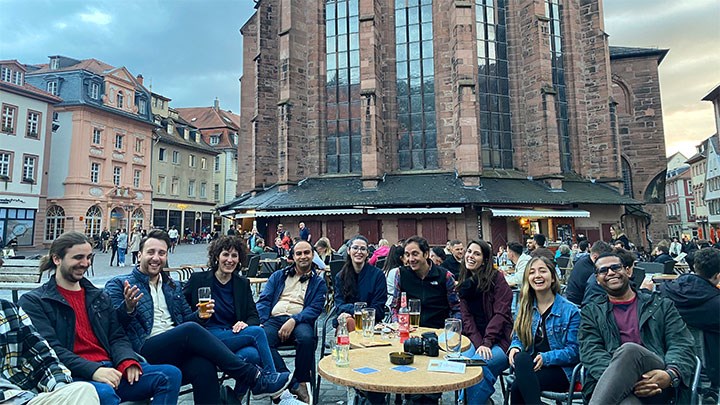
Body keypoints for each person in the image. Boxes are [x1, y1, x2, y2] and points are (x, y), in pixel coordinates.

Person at [104, 230, 291, 404]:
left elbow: (187, 320)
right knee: (192, 330)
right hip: (143, 349)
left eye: (161, 253)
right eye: (150, 252)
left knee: (204, 365)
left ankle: (255, 382)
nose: (156, 258)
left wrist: (199, 316)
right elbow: (112, 328)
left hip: (177, 348)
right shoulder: (120, 284)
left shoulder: (172, 286)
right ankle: (255, 378)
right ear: (139, 255)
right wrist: (128, 308)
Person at [19, 232, 182, 405]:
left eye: (89, 257)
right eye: (78, 257)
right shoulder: (35, 301)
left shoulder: (98, 295)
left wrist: (127, 360)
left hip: (112, 369)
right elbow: (50, 349)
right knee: (104, 393)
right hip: (73, 375)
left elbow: (117, 336)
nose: (85, 263)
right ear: (57, 259)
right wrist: (94, 370)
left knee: (169, 375)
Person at [183, 236, 302, 405]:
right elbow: (181, 314)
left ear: (240, 259)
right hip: (205, 336)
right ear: (217, 256)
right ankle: (272, 382)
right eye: (226, 255)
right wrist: (197, 315)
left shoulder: (241, 283)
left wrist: (246, 323)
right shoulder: (198, 280)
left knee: (251, 355)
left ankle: (235, 399)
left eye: (234, 256)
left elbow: (254, 315)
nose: (229, 260)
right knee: (258, 332)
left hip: (230, 335)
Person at [578, 252, 697, 404]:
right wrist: (625, 378)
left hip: (656, 377)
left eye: (615, 267)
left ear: (628, 271)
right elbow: (590, 352)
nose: (610, 273)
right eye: (603, 270)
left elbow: (681, 343)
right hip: (612, 384)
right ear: (598, 280)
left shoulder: (661, 305)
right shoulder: (592, 312)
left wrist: (670, 374)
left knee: (629, 351)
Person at [256, 240, 327, 404]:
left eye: (307, 253)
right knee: (260, 339)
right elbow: (264, 301)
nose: (303, 256)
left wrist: (294, 320)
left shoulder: (318, 282)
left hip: (300, 320)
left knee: (307, 339)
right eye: (299, 253)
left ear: (313, 255)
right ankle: (289, 382)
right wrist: (263, 321)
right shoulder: (278, 276)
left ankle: (302, 379)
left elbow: (315, 308)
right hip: (274, 319)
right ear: (293, 256)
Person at [507, 257, 580, 404]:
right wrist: (515, 347)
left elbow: (575, 351)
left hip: (560, 370)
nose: (537, 276)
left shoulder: (570, 310)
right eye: (532, 272)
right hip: (529, 365)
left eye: (542, 271)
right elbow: (518, 338)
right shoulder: (525, 307)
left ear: (553, 277)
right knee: (521, 357)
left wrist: (546, 357)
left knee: (517, 388)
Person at [0, 299, 100, 405]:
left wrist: (60, 388)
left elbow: (43, 357)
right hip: (7, 398)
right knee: (103, 391)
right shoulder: (32, 301)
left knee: (83, 391)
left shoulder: (9, 309)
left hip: (24, 395)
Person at [658, 248, 719, 399]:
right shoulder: (715, 304)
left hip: (672, 366)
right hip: (711, 370)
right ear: (718, 276)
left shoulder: (666, 291)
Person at [333, 235, 388, 405]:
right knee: (347, 321)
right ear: (348, 251)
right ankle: (366, 387)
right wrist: (357, 310)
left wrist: (355, 310)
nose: (359, 251)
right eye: (355, 248)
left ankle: (362, 384)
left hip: (374, 324)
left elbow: (378, 308)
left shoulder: (377, 275)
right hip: (348, 324)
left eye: (363, 248)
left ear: (367, 253)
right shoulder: (340, 277)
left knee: (348, 321)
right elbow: (339, 304)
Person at [457, 239, 512, 404]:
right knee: (460, 363)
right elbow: (467, 319)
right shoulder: (465, 284)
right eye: (469, 252)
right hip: (476, 340)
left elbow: (500, 315)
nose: (470, 256)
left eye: (476, 253)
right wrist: (480, 343)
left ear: (485, 260)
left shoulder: (497, 279)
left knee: (478, 365)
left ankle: (465, 403)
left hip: (501, 340)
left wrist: (487, 342)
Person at [391, 236, 460, 328]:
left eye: (415, 254)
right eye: (407, 255)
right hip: (409, 331)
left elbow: (456, 308)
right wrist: (397, 324)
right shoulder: (401, 274)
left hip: (439, 332)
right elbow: (395, 307)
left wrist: (451, 329)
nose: (411, 259)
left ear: (426, 254)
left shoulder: (445, 276)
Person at [564, 241, 612, 306]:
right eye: (605, 260)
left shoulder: (582, 261)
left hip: (571, 298)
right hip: (579, 304)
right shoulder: (590, 271)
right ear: (595, 257)